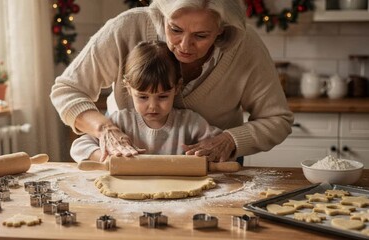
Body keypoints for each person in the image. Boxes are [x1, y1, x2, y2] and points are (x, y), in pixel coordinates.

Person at [51, 0, 294, 164]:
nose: (185, 46)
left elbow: (277, 119)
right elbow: (67, 91)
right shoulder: (127, 28)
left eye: (201, 36)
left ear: (222, 30)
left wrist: (229, 140)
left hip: (213, 167)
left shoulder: (244, 46)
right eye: (175, 30)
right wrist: (105, 131)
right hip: (128, 163)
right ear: (161, 16)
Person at [70, 41, 222, 162]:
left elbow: (220, 146)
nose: (153, 106)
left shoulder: (190, 123)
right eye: (143, 97)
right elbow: (79, 147)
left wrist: (206, 155)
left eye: (162, 96)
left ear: (177, 88)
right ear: (129, 89)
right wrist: (108, 157)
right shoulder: (120, 121)